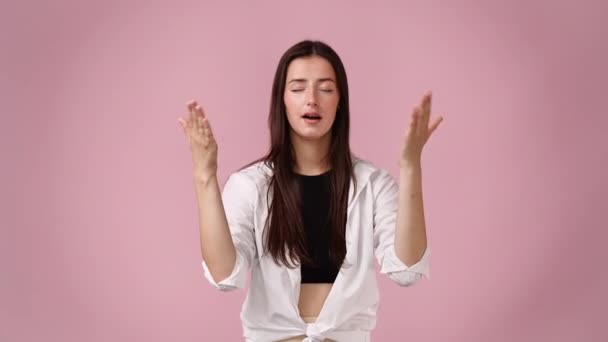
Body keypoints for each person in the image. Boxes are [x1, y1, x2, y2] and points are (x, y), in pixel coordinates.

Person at [178, 40, 443, 342]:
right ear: (282, 100)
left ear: (340, 100)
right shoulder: (250, 185)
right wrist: (205, 177)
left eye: (326, 89)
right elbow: (224, 275)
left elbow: (406, 270)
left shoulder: (373, 184)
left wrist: (410, 166)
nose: (312, 99)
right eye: (298, 88)